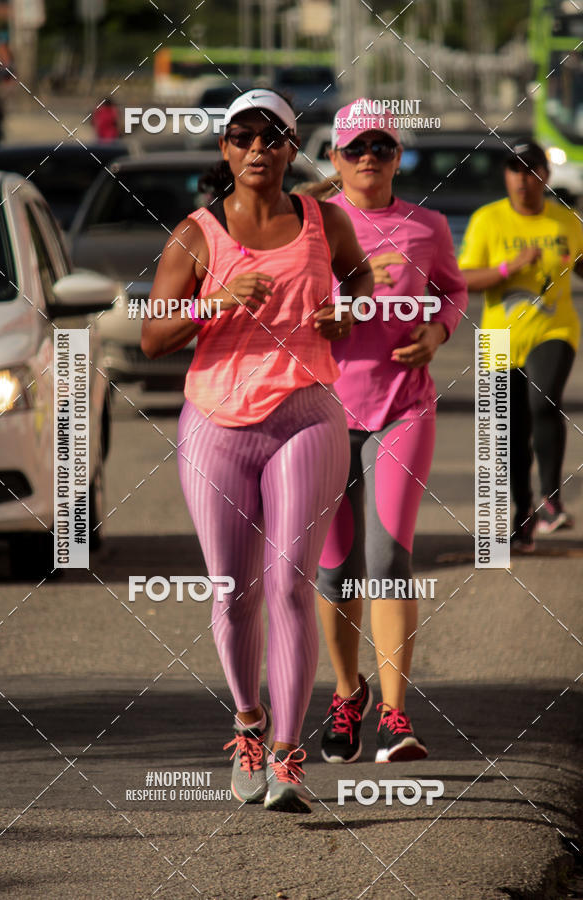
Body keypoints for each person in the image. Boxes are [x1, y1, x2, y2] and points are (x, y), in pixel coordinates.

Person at [141, 89, 373, 812]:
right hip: (216, 424)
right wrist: (216, 303)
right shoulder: (196, 234)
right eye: (242, 137)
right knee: (235, 593)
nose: (257, 149)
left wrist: (349, 307)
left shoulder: (322, 221)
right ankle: (247, 724)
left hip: (307, 414)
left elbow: (360, 275)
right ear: (225, 150)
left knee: (290, 586)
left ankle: (288, 754)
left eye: (272, 136)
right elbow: (152, 333)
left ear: (290, 147)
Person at [302, 100, 468, 765]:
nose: (369, 157)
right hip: (323, 410)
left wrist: (438, 330)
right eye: (356, 148)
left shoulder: (426, 226)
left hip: (403, 408)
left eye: (382, 146)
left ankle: (398, 715)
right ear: (336, 159)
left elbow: (452, 290)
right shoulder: (312, 225)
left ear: (398, 156)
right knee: (334, 570)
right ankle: (348, 694)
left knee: (387, 559)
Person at [458, 138, 583, 552]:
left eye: (531, 169)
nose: (522, 179)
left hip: (553, 330)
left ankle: (551, 500)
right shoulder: (487, 221)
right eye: (514, 169)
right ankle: (522, 511)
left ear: (545, 175)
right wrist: (510, 268)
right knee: (507, 431)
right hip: (498, 337)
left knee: (541, 401)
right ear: (505, 176)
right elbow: (464, 281)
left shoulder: (566, 222)